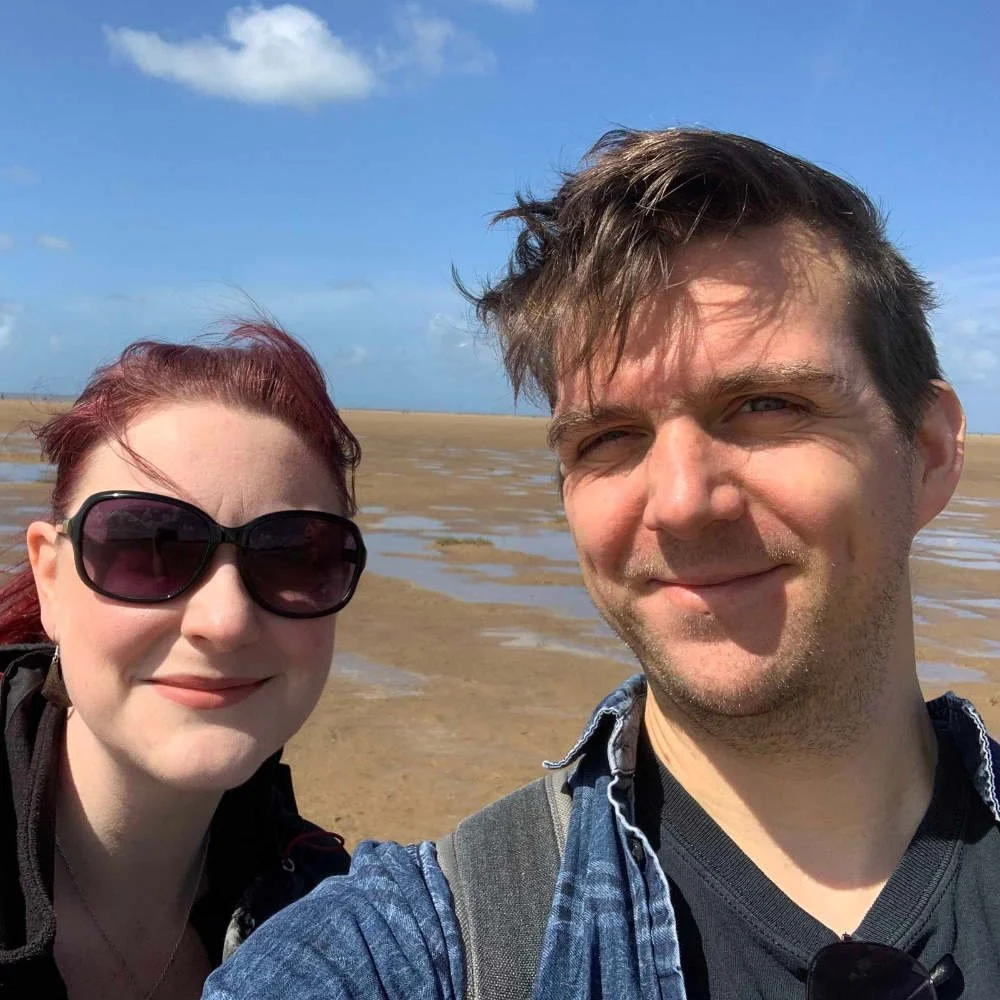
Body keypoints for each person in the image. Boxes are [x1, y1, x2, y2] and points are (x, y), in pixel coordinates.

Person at [203, 129, 998, 1000]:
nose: (685, 501)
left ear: (924, 450)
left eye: (767, 404)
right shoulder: (428, 951)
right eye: (611, 436)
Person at [0, 320, 368, 999]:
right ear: (50, 577)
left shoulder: (335, 920)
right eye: (148, 546)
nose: (224, 622)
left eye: (293, 554)